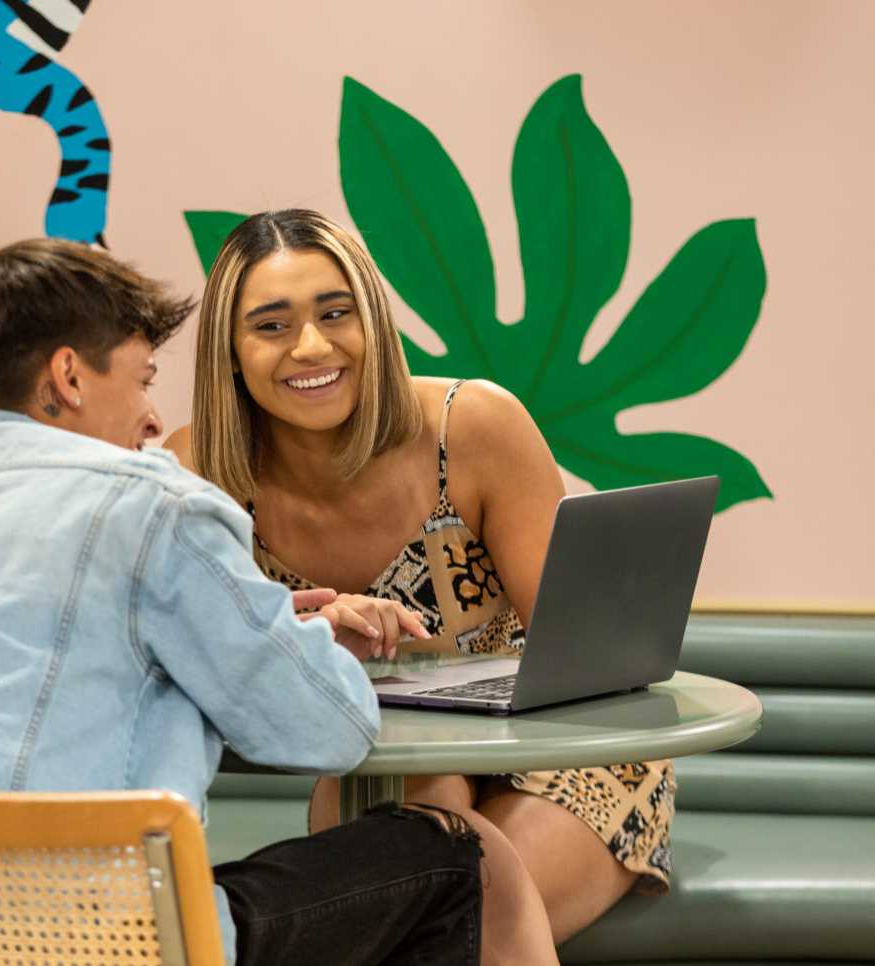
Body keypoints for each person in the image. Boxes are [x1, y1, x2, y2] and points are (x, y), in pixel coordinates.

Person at [0, 238, 559, 965]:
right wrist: (283, 642)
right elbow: (327, 730)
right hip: (78, 939)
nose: (148, 420)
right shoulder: (153, 504)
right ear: (68, 377)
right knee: (462, 857)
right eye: (139, 381)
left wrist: (251, 629)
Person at [167, 209, 677, 944]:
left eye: (336, 313)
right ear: (231, 353)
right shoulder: (196, 474)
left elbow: (590, 660)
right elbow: (191, 674)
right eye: (272, 326)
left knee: (444, 919)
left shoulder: (475, 428)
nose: (312, 346)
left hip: (560, 756)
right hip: (379, 759)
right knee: (418, 896)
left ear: (373, 323)